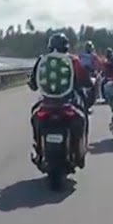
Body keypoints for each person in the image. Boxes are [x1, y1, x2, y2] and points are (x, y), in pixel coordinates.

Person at [27, 33, 90, 166]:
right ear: (66, 46)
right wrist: (87, 84)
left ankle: (38, 148)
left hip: (47, 102)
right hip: (68, 101)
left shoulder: (43, 60)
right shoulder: (73, 60)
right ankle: (81, 151)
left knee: (34, 115)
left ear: (50, 46)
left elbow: (33, 84)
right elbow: (85, 80)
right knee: (83, 117)